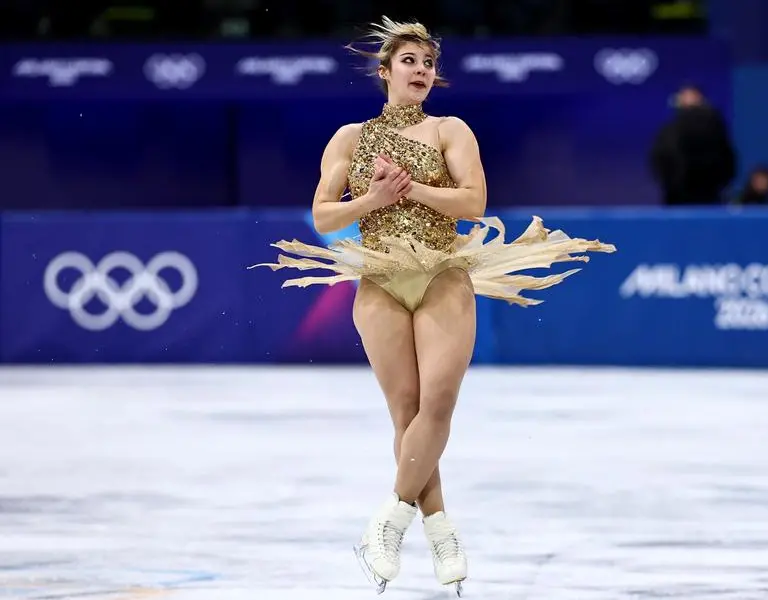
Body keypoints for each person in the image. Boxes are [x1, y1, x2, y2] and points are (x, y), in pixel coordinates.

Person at [250, 16, 616, 596]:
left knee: (438, 402)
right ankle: (441, 528)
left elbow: (474, 202)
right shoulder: (349, 138)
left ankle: (392, 520)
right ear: (385, 71)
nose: (421, 69)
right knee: (406, 411)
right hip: (380, 279)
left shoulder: (450, 129)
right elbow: (323, 214)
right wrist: (373, 198)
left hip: (442, 271)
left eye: (428, 62)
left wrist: (410, 188)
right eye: (410, 61)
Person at [649, 83, 737, 206]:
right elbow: (661, 159)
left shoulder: (714, 129)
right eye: (685, 96)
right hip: (684, 197)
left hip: (706, 196)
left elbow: (726, 159)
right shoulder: (670, 131)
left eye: (692, 96)